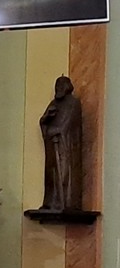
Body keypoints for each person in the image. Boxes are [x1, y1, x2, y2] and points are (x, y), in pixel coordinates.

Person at [39, 75, 83, 211]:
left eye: (60, 86)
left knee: (64, 174)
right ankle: (51, 202)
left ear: (66, 87)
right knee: (51, 174)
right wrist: (46, 118)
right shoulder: (54, 103)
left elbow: (69, 123)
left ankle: (66, 203)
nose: (57, 89)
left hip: (65, 145)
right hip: (52, 144)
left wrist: (56, 130)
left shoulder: (74, 103)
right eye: (56, 86)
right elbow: (43, 121)